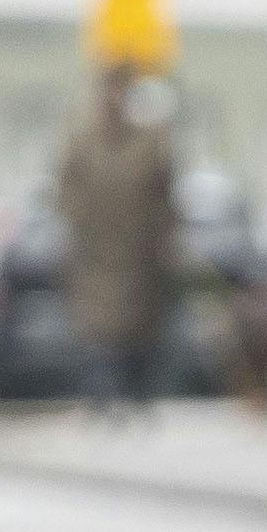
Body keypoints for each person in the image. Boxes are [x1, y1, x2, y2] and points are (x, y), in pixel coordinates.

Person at [55, 63, 179, 416]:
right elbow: (66, 198)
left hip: (140, 262)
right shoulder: (81, 144)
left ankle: (139, 403)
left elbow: (164, 199)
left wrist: (163, 242)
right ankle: (103, 406)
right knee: (98, 339)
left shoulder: (148, 144)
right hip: (94, 262)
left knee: (139, 339)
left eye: (120, 91)